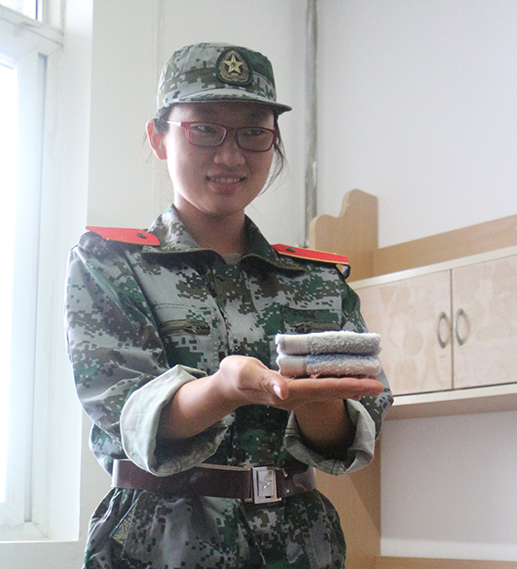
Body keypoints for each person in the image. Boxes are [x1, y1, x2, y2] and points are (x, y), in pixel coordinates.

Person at [64, 42, 392, 569]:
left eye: (253, 133)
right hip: (159, 543)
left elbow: (355, 425)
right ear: (159, 137)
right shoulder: (111, 264)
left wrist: (312, 400)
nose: (231, 156)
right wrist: (226, 389)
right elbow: (125, 409)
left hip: (299, 543)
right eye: (204, 129)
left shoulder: (317, 279)